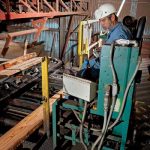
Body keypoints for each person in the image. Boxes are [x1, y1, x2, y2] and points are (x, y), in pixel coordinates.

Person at [79, 3, 132, 80]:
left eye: (103, 20)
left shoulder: (118, 34)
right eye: (100, 21)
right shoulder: (118, 29)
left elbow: (107, 61)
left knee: (82, 73)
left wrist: (89, 70)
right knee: (86, 62)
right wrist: (103, 48)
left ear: (112, 17)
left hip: (108, 68)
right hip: (107, 62)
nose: (101, 24)